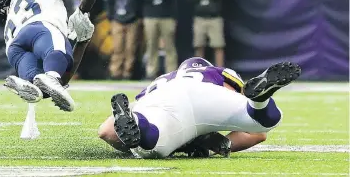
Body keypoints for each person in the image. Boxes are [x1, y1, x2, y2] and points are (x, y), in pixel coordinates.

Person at [98, 57, 301, 158]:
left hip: (160, 100)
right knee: (260, 122)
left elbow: (106, 132)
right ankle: (261, 101)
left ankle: (141, 126)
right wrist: (218, 145)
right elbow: (258, 135)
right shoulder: (216, 72)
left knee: (150, 145)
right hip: (205, 95)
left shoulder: (162, 81)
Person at [0, 0, 100, 111]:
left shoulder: (9, 24)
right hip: (40, 28)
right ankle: (51, 75)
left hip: (14, 48)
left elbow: (60, 84)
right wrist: (83, 12)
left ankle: (29, 81)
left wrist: (82, 43)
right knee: (57, 56)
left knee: (42, 88)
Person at [140, 0, 180, 79]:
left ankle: (171, 73)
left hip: (167, 16)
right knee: (151, 46)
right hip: (151, 16)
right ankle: (151, 72)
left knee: (169, 46)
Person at [107, 0, 141, 80]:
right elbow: (110, 4)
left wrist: (137, 17)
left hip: (132, 21)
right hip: (117, 21)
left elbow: (140, 4)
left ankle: (128, 73)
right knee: (117, 48)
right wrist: (112, 18)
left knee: (130, 48)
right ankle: (115, 72)